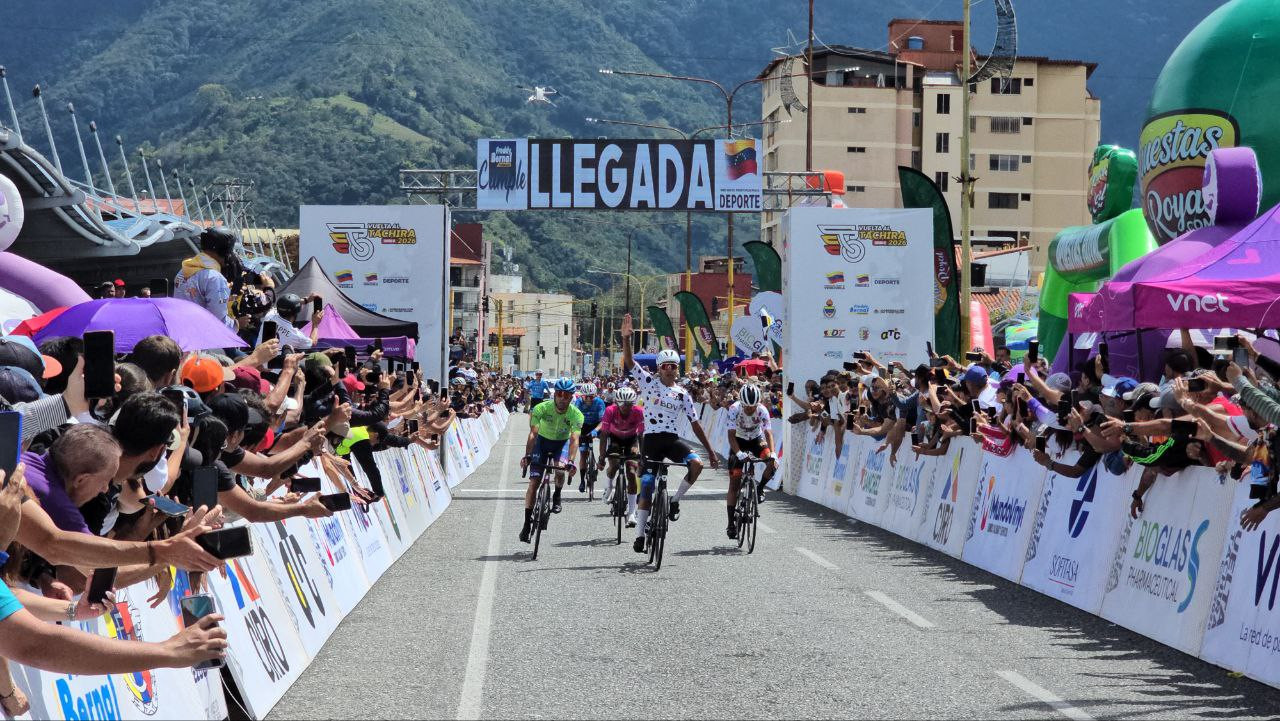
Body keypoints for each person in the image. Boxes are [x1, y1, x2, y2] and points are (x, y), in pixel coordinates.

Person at [619, 313, 718, 554]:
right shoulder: (648, 383)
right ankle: (640, 534)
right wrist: (626, 340)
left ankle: (674, 502)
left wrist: (712, 452)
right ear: (659, 368)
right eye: (665, 366)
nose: (670, 370)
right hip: (652, 440)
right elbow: (631, 363)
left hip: (672, 441)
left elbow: (696, 424)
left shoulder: (683, 394)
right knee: (647, 483)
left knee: (696, 465)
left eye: (674, 366)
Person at [518, 378, 582, 542]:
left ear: (571, 397)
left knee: (560, 469)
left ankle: (557, 495)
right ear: (554, 395)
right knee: (534, 483)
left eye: (566, 395)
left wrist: (571, 461)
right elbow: (533, 434)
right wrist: (527, 455)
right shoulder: (541, 408)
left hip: (561, 444)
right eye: (559, 394)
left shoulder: (576, 414)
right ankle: (526, 523)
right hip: (542, 443)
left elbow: (575, 440)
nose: (562, 398)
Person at [724, 383, 777, 539]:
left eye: (753, 407)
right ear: (742, 403)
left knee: (773, 462)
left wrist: (773, 453)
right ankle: (730, 524)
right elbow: (731, 435)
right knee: (734, 483)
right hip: (738, 441)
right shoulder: (734, 409)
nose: (750, 410)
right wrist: (738, 453)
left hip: (756, 439)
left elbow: (768, 433)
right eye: (747, 407)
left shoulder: (762, 410)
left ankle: (759, 489)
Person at [174, 226, 237, 329]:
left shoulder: (183, 270)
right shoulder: (215, 278)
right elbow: (218, 321)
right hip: (204, 338)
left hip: (182, 332)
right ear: (224, 251)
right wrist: (237, 324)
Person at [597, 385, 643, 525]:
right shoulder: (610, 410)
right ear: (617, 402)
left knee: (631, 471)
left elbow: (641, 435)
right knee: (614, 464)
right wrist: (601, 457)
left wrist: (642, 456)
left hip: (631, 440)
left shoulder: (638, 411)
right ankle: (609, 486)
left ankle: (631, 513)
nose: (626, 408)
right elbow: (604, 435)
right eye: (623, 404)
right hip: (615, 438)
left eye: (629, 404)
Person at [572, 382, 606, 495]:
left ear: (595, 395)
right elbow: (574, 419)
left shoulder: (599, 402)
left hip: (596, 424)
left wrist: (596, 431)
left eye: (591, 396)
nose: (588, 399)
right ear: (581, 396)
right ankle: (582, 481)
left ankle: (601, 460)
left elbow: (603, 421)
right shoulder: (578, 402)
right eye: (585, 396)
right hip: (583, 426)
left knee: (607, 436)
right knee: (583, 453)